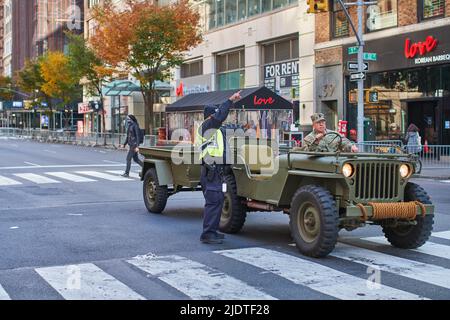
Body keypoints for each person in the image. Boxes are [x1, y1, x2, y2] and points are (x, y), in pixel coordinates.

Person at [196, 90, 242, 244]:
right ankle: (207, 234)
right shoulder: (206, 126)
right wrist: (230, 101)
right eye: (215, 115)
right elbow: (220, 116)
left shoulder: (217, 131)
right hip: (211, 170)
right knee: (213, 202)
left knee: (218, 201)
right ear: (210, 116)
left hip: (218, 171)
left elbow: (233, 130)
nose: (219, 118)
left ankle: (213, 231)